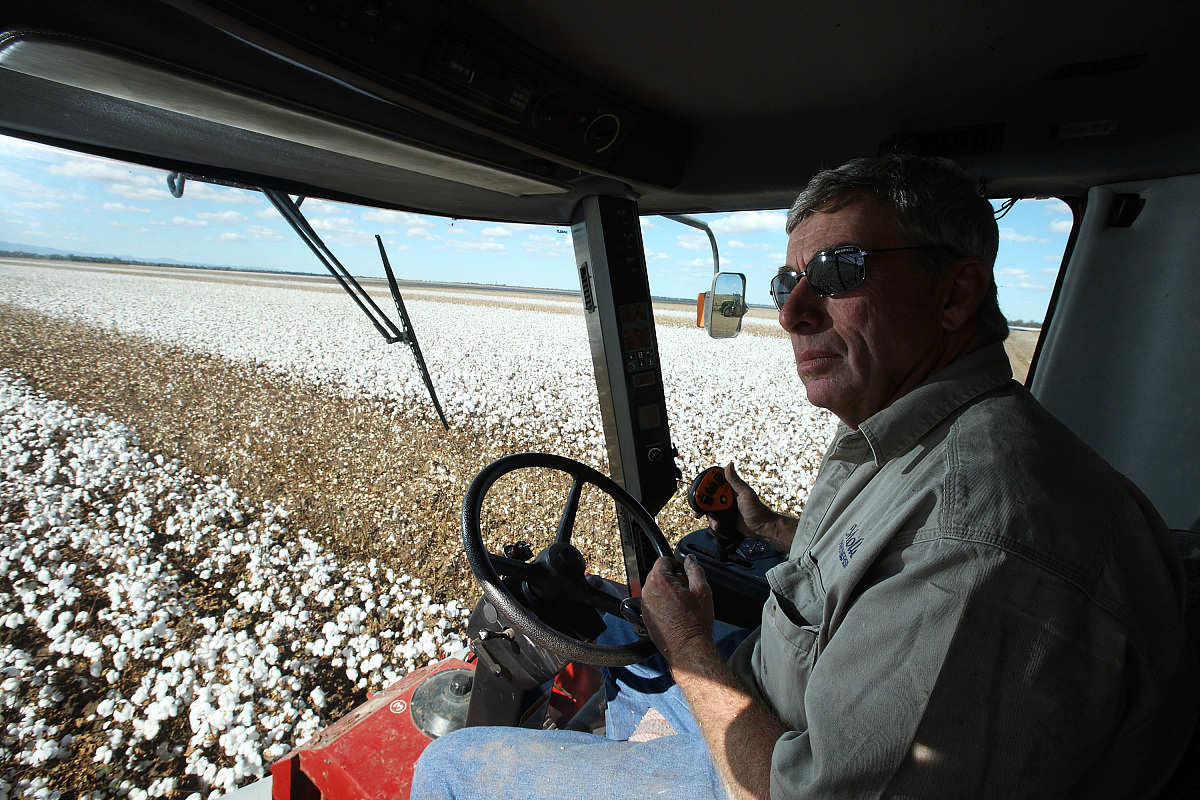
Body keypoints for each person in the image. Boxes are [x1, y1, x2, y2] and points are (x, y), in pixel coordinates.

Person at [411, 154, 1197, 799]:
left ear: (955, 292)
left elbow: (800, 795)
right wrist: (767, 529)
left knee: (448, 768)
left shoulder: (988, 541)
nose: (791, 313)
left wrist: (688, 645)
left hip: (763, 770)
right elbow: (886, 565)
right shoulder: (922, 436)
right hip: (774, 695)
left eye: (838, 269)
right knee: (622, 627)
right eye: (790, 283)